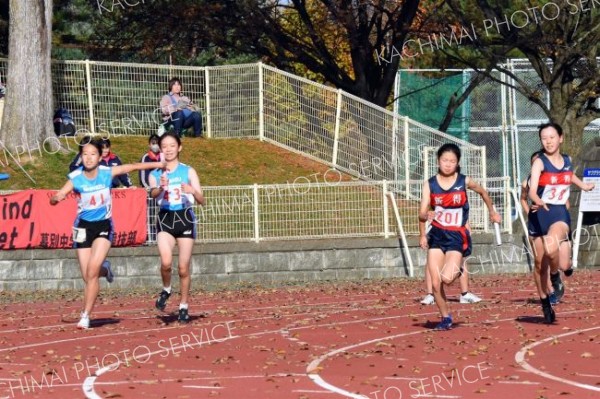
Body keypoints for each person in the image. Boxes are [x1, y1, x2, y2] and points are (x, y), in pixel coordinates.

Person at [50, 137, 165, 329]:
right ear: (81, 156)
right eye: (84, 154)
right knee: (87, 275)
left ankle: (85, 315)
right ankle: (107, 269)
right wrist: (57, 197)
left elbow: (133, 166)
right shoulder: (76, 177)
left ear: (99, 156)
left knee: (92, 271)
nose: (88, 158)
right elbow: (58, 196)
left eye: (92, 154)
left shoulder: (106, 172)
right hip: (82, 228)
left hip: (103, 226)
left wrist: (159, 163)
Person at [418, 143, 501, 330]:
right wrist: (423, 231)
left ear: (457, 163)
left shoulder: (464, 181)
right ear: (438, 161)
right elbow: (422, 213)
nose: (448, 164)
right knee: (436, 280)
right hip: (437, 235)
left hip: (457, 236)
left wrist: (492, 212)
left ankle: (459, 278)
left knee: (447, 279)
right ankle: (445, 317)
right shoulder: (429, 184)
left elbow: (482, 192)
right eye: (444, 160)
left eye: (452, 161)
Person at [527, 122, 594, 324]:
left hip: (558, 213)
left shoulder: (567, 160)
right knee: (539, 265)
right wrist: (536, 199)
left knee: (554, 251)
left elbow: (568, 175)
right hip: (539, 214)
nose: (548, 141)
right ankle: (545, 303)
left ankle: (556, 276)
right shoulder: (539, 162)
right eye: (544, 138)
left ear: (561, 138)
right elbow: (531, 188)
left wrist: (583, 185)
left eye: (552, 137)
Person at [148, 132, 205, 323]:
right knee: (166, 262)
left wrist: (192, 191)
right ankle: (166, 289)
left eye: (172, 145)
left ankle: (183, 306)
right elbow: (153, 194)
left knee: (183, 267)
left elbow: (202, 200)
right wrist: (161, 188)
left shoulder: (189, 171)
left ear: (179, 147)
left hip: (185, 218)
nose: (169, 149)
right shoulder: (155, 173)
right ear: (160, 150)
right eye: (165, 146)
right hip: (165, 218)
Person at [520, 150, 573, 305]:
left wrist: (562, 211)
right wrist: (529, 212)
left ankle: (566, 269)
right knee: (541, 261)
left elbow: (565, 199)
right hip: (537, 222)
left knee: (564, 264)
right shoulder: (527, 183)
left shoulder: (555, 180)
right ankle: (551, 292)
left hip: (557, 221)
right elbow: (523, 199)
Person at [420, 221, 482, 305]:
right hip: (437, 227)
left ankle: (465, 294)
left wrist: (466, 224)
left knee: (460, 256)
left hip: (455, 228)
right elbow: (424, 213)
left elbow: (462, 209)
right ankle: (431, 295)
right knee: (431, 257)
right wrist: (423, 235)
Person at [139, 134, 162, 242]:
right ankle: (150, 238)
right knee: (149, 216)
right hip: (150, 193)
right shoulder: (146, 158)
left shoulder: (163, 157)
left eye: (157, 143)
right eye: (153, 143)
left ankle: (162, 237)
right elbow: (143, 177)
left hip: (162, 192)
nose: (155, 145)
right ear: (149, 144)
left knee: (162, 215)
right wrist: (149, 189)